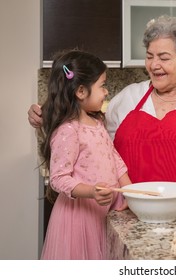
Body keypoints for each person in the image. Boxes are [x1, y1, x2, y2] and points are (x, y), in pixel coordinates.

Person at [28, 15, 176, 207]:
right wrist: (47, 116)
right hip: (126, 213)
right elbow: (88, 140)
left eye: (164, 58)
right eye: (149, 56)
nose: (154, 65)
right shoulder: (127, 98)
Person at [38, 50, 131, 259]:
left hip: (102, 214)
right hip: (78, 220)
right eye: (103, 85)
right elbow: (58, 179)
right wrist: (92, 192)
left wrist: (128, 190)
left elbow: (113, 157)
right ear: (81, 91)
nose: (106, 92)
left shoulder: (97, 123)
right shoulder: (68, 130)